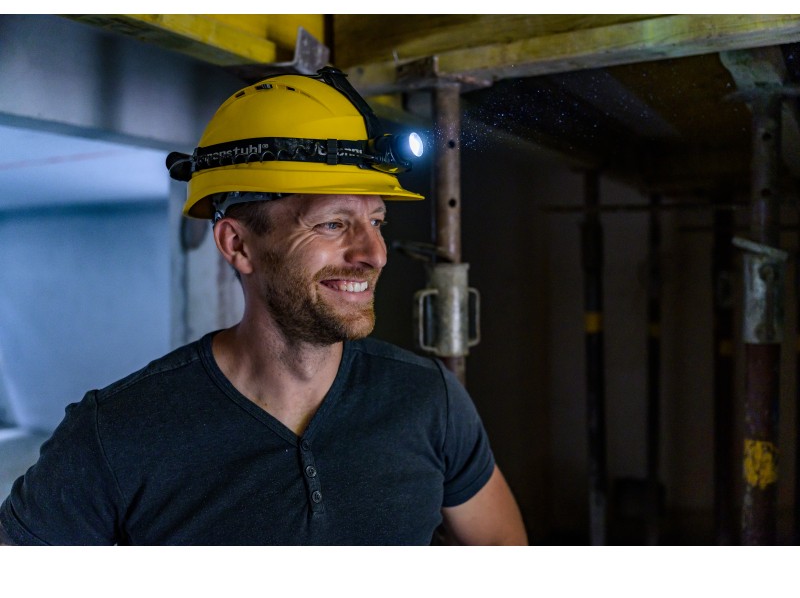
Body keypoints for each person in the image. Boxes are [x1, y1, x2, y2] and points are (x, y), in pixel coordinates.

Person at [0, 66, 527, 546]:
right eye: (332, 224)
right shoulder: (116, 433)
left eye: (376, 222)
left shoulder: (428, 399)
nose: (374, 254)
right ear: (238, 245)